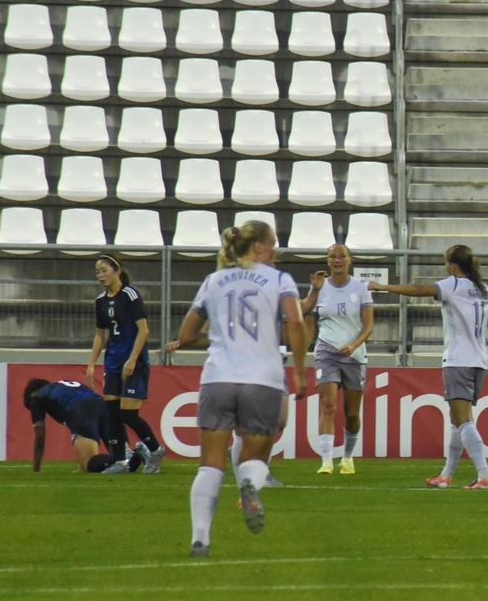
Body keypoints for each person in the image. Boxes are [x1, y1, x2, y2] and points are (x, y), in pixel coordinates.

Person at [176, 220, 307, 556]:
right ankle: (249, 482)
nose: (276, 250)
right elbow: (295, 321)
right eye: (273, 244)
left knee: (210, 464)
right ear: (259, 247)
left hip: (218, 377)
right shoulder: (280, 280)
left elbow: (187, 335)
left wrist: (217, 337)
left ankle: (200, 539)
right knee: (256, 456)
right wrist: (301, 371)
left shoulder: (213, 280)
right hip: (262, 379)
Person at [370, 245, 488, 489]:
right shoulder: (486, 287)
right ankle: (445, 476)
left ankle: (485, 475)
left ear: (453, 266)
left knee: (464, 421)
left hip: (457, 361)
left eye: (446, 263)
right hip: (479, 362)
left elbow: (420, 289)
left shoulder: (452, 285)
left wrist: (385, 287)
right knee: (456, 419)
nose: (445, 267)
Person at [86, 255, 166, 473]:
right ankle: (121, 462)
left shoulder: (130, 295)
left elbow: (144, 330)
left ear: (117, 270)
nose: (100, 276)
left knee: (128, 414)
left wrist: (132, 360)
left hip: (134, 362)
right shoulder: (101, 300)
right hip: (112, 361)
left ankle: (156, 450)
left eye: (104, 271)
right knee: (112, 413)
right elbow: (100, 335)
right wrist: (92, 363)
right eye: (97, 272)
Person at [301, 244, 375, 475]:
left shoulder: (361, 288)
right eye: (332, 257)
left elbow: (369, 325)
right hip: (327, 352)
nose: (337, 260)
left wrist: (354, 344)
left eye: (341, 256)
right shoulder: (320, 287)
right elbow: (302, 310)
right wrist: (313, 290)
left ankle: (348, 457)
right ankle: (326, 461)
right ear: (328, 261)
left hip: (354, 355)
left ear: (350, 260)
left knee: (352, 413)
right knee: (328, 404)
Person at [24, 377, 114, 473]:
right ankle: (125, 458)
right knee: (121, 457)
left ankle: (117, 459)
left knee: (89, 465)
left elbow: (39, 439)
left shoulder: (36, 396)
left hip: (81, 408)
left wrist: (36, 470)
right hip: (103, 404)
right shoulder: (63, 385)